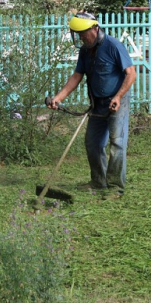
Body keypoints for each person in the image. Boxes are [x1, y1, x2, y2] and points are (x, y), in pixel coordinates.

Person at [47, 12, 136, 197]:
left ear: (95, 29)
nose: (80, 37)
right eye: (77, 34)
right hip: (97, 103)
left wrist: (118, 97)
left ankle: (115, 188)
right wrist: (59, 98)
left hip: (116, 102)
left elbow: (131, 74)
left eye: (83, 33)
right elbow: (77, 76)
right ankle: (98, 182)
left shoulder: (113, 46)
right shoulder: (85, 51)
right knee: (93, 143)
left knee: (117, 144)